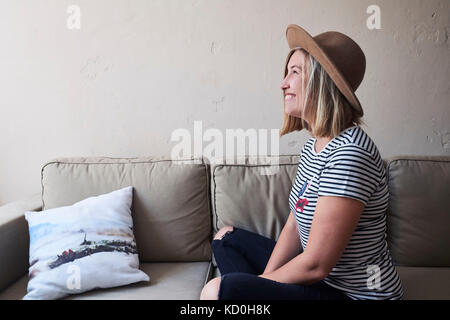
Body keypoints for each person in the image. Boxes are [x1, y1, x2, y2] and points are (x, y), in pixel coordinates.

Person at [200, 24, 403, 300]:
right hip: (318, 281)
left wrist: (257, 288)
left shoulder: (350, 153)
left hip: (352, 295)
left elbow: (317, 264)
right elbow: (294, 224)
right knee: (225, 238)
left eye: (294, 72)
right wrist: (263, 284)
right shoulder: (315, 146)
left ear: (322, 83)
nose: (283, 83)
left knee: (216, 291)